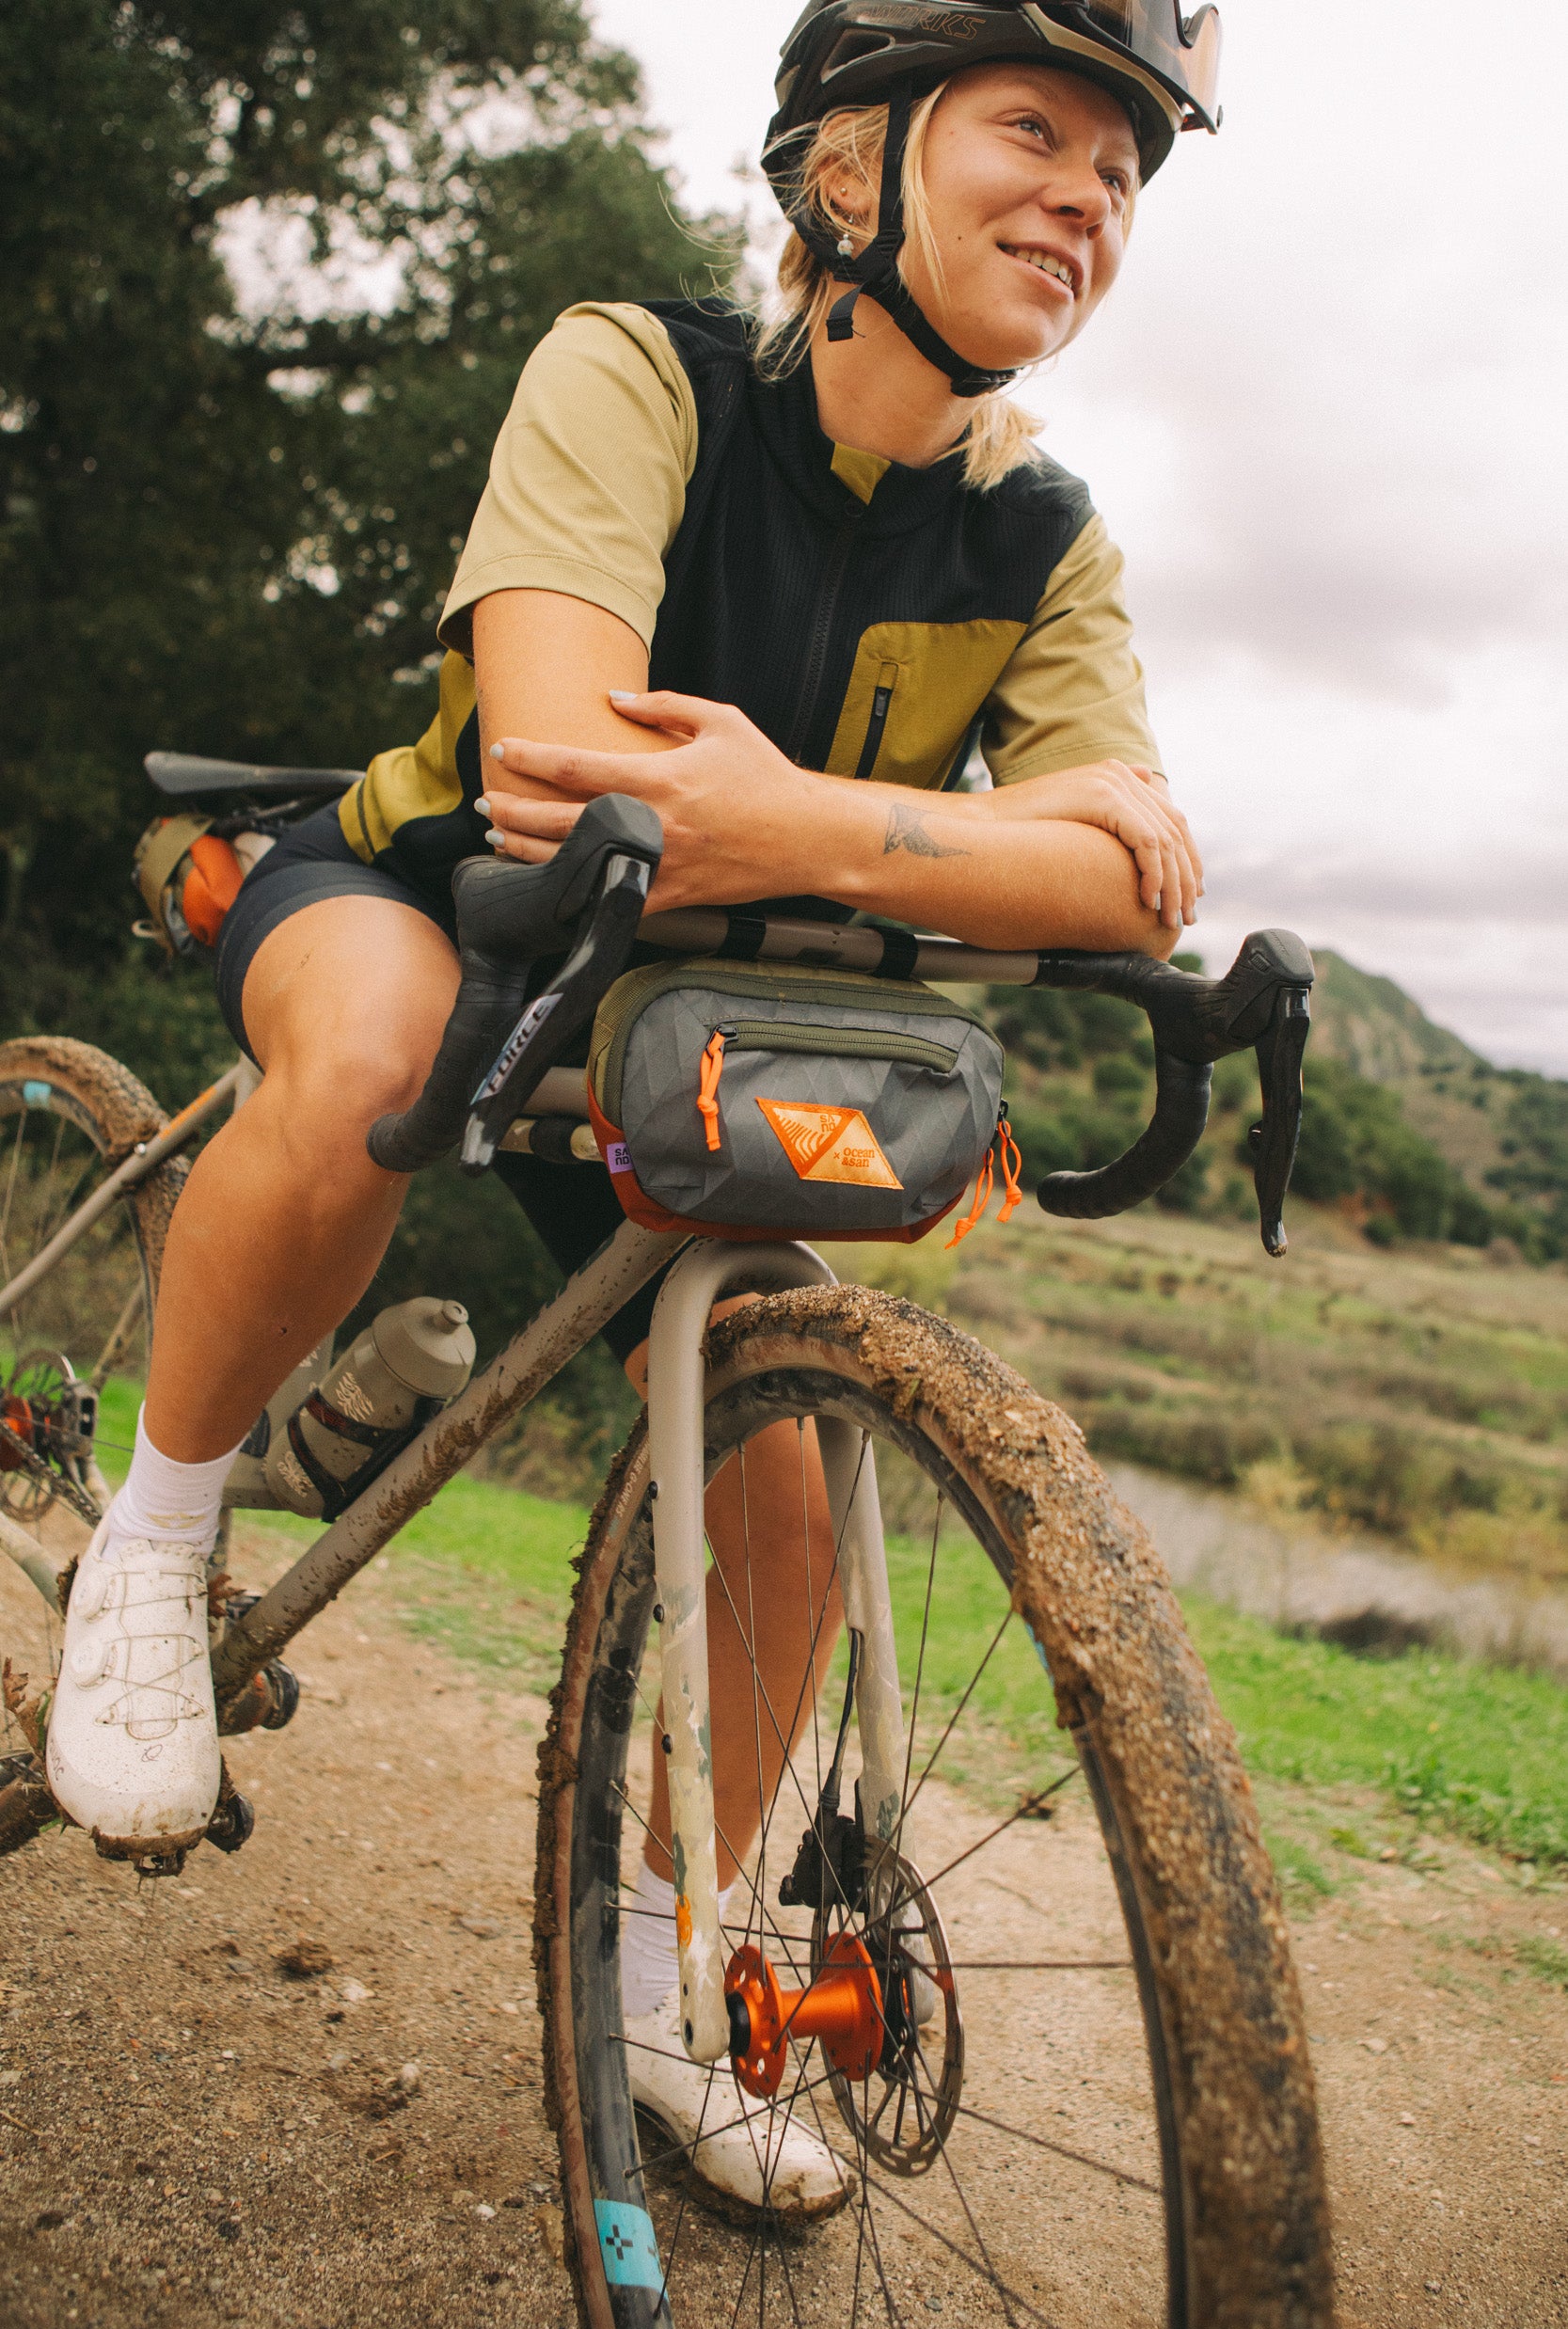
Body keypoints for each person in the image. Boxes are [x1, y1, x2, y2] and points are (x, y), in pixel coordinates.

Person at [48, 0, 1221, 2212]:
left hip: (681, 1021)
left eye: (1126, 169)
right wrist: (968, 845)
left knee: (780, 1459)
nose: (1090, 195)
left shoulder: (1041, 535)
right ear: (851, 166)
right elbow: (566, 776)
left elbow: (1134, 872)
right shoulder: (638, 371)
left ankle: (665, 1963)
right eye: (1035, 129)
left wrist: (799, 822)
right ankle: (158, 1536)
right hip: (423, 903)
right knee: (377, 1051)